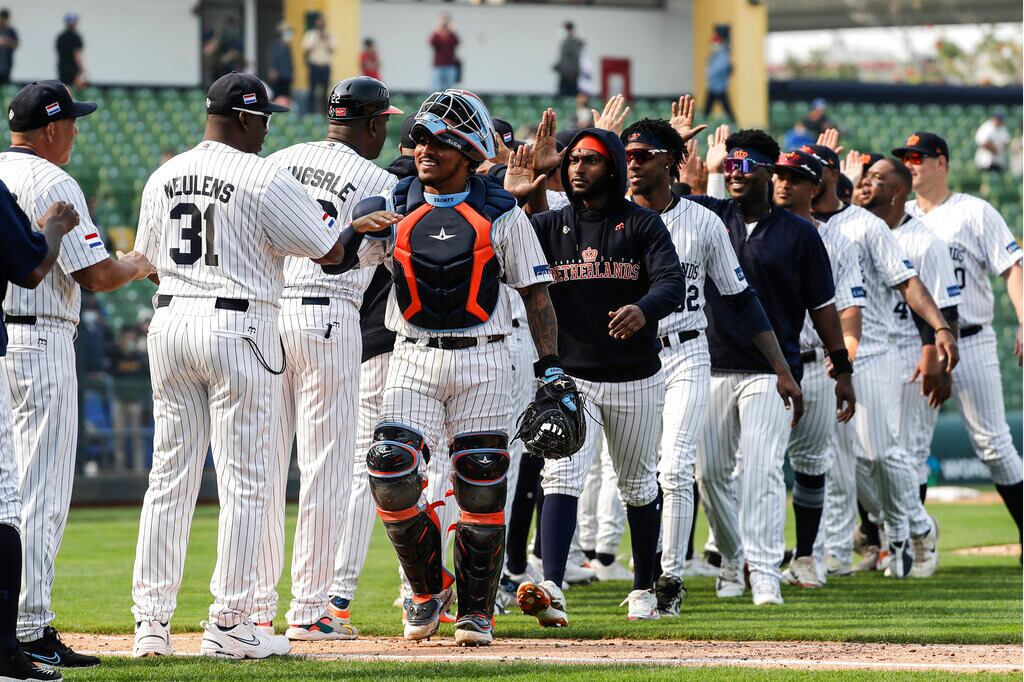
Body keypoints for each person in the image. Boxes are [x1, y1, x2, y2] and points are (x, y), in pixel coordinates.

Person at [129, 72, 346, 660]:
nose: (266, 129)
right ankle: (231, 624)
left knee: (168, 478)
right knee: (247, 480)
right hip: (240, 322)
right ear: (249, 119)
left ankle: (150, 623)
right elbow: (328, 249)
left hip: (171, 317)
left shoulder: (165, 173)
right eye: (264, 120)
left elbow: (148, 259)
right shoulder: (263, 172)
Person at [334, 88, 558, 647]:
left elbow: (536, 296)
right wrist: (352, 232)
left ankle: (477, 611)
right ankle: (427, 586)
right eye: (422, 139)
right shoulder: (389, 204)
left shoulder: (501, 212)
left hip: (484, 356)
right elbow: (334, 262)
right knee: (389, 469)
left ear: (469, 151)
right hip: (411, 353)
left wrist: (552, 368)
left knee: (481, 479)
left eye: (440, 141)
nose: (424, 149)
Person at [0, 81, 153, 669]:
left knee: (7, 491)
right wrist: (139, 264)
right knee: (39, 487)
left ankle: (16, 623)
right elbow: (95, 275)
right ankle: (30, 625)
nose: (79, 132)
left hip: (3, 338)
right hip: (39, 338)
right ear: (53, 130)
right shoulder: (53, 181)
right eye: (74, 123)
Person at [622, 111, 799, 615]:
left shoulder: (704, 220)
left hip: (688, 351)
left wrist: (782, 367)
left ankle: (669, 583)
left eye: (642, 156)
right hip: (628, 359)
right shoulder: (613, 214)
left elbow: (741, 298)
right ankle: (640, 579)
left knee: (677, 467)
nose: (631, 165)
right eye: (626, 156)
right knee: (637, 477)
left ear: (669, 163)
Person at [514, 120, 686, 624]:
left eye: (590, 159)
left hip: (635, 376)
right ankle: (552, 585)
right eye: (572, 161)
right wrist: (521, 195)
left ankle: (642, 588)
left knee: (637, 486)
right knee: (561, 473)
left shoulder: (642, 224)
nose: (578, 168)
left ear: (611, 164)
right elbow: (503, 252)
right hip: (573, 378)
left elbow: (671, 282)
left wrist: (645, 308)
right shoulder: (550, 225)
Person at [252, 76, 402, 641]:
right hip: (329, 313)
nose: (386, 132)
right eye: (384, 122)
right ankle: (311, 608)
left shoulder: (282, 161)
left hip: (267, 313)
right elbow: (389, 261)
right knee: (327, 468)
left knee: (264, 468)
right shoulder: (380, 181)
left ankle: (255, 607)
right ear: (371, 123)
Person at [693, 127, 853, 606]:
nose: (736, 174)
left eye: (746, 166)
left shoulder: (801, 233)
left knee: (762, 471)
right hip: (711, 364)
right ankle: (731, 554)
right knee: (710, 475)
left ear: (768, 170)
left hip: (772, 370)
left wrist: (841, 367)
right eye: (730, 165)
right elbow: (656, 201)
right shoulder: (708, 214)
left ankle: (763, 571)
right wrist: (691, 157)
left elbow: (823, 306)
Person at [802, 138, 955, 580]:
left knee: (879, 452)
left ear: (830, 176)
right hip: (822, 355)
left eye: (804, 174)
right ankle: (836, 550)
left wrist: (939, 327)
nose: (791, 183)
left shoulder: (866, 226)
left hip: (875, 350)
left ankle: (918, 529)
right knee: (834, 459)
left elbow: (907, 281)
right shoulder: (795, 227)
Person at [897, 131, 1023, 545]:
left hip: (970, 338)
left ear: (942, 162)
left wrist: (1023, 321)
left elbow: (1012, 268)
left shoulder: (974, 211)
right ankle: (913, 544)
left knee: (993, 444)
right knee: (913, 448)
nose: (911, 163)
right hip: (919, 344)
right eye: (906, 157)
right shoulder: (901, 215)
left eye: (919, 156)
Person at [771, 150, 864, 588]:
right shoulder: (750, 231)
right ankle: (750, 556)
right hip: (763, 366)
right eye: (779, 176)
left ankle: (806, 556)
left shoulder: (836, 241)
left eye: (794, 177)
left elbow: (845, 308)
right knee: (751, 466)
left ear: (817, 187)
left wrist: (842, 362)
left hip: (813, 361)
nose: (783, 183)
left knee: (810, 464)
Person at [0, 189, 78, 682]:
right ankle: (10, 649)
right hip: (36, 338)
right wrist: (51, 226)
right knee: (8, 505)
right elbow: (31, 267)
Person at [859, 158, 961, 517]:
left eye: (876, 177)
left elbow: (946, 308)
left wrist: (936, 358)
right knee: (867, 453)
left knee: (910, 451)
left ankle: (917, 541)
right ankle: (881, 535)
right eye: (865, 177)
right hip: (876, 350)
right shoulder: (862, 230)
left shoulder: (924, 241)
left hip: (915, 352)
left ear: (898, 191)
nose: (867, 182)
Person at [109, 326, 151, 471]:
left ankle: (138, 468)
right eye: (127, 337)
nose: (129, 340)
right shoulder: (117, 354)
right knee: (119, 436)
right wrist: (120, 348)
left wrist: (141, 353)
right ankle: (119, 468)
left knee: (136, 437)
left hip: (135, 401)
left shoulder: (139, 356)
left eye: (131, 337)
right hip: (119, 400)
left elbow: (147, 371)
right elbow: (109, 357)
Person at [302, 14, 335, 115]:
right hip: (314, 66)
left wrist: (325, 39)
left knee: (325, 92)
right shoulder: (310, 34)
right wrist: (317, 37)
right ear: (316, 23)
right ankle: (311, 113)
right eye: (319, 22)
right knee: (312, 91)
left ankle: (325, 113)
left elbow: (333, 48)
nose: (321, 24)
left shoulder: (329, 35)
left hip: (325, 67)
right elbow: (305, 47)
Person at [703, 32, 734, 121]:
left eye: (714, 44)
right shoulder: (714, 55)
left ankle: (735, 124)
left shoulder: (723, 55)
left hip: (720, 88)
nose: (712, 46)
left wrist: (709, 72)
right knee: (706, 111)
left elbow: (718, 69)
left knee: (728, 110)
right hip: (713, 87)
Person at [428, 14, 459, 92]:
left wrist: (451, 30)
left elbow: (456, 42)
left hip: (450, 65)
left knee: (449, 90)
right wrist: (438, 30)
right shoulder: (437, 36)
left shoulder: (452, 36)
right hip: (438, 66)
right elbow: (432, 42)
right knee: (435, 88)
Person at [974, 109, 1010, 174]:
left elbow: (1006, 143)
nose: (999, 121)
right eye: (998, 118)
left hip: (998, 161)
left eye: (1001, 119)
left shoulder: (1003, 129)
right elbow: (982, 142)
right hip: (985, 161)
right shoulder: (987, 127)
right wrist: (993, 148)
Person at [266, 22, 294, 102]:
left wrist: (292, 72)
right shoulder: (274, 45)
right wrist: (272, 70)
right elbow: (271, 59)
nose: (289, 34)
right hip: (278, 76)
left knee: (287, 96)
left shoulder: (288, 47)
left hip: (286, 75)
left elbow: (290, 61)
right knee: (277, 95)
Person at [554, 22, 583, 97]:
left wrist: (571, 72)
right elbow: (564, 59)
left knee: (572, 96)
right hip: (563, 75)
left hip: (571, 76)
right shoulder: (563, 43)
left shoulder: (576, 43)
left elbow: (574, 58)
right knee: (562, 95)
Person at [55, 14, 84, 88]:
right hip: (73, 70)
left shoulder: (60, 37)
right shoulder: (76, 37)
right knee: (75, 90)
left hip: (62, 68)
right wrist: (81, 69)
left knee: (64, 89)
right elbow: (77, 55)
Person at [0, 10, 19, 86]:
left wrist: (6, 41)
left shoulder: (10, 31)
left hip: (5, 65)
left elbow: (16, 44)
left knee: (5, 84)